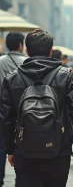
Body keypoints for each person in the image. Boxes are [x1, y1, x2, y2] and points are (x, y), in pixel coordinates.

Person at [0, 29, 73, 187]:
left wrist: (10, 149)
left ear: (26, 50)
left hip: (24, 149)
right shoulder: (66, 76)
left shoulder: (12, 79)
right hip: (59, 149)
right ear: (51, 51)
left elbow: (6, 118)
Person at [0, 32, 26, 187]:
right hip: (24, 110)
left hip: (1, 109)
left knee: (1, 146)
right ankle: (21, 180)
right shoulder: (28, 62)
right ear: (20, 45)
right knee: (23, 146)